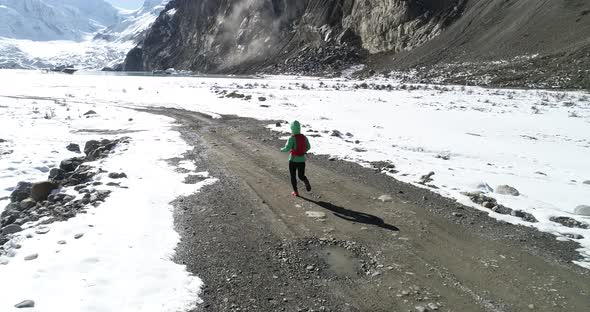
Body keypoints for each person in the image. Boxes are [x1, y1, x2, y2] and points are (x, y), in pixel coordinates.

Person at [280, 120, 312, 197]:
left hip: (293, 160)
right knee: (301, 175)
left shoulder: (292, 138)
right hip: (302, 160)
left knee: (293, 176)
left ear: (292, 129)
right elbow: (309, 147)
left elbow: (287, 148)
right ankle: (305, 180)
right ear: (299, 128)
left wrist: (282, 149)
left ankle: (296, 192)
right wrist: (303, 151)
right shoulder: (304, 137)